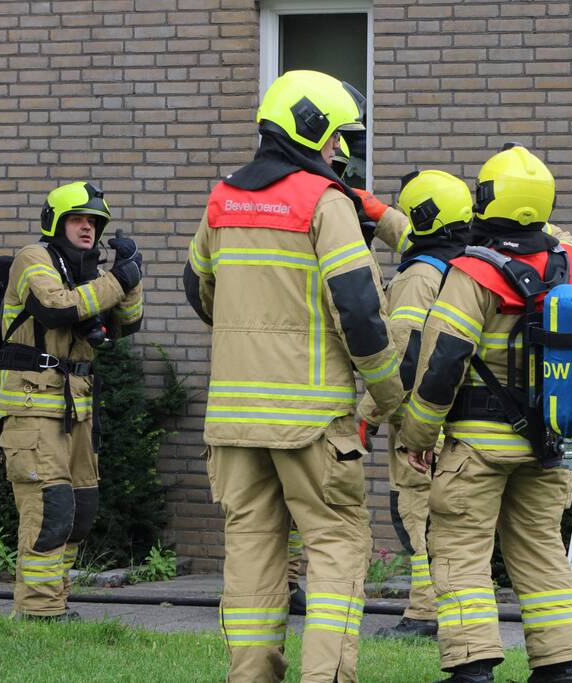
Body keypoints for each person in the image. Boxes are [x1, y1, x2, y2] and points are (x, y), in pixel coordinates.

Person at [184, 70, 404, 683]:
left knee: (252, 555)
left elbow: (198, 286)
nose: (340, 152)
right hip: (312, 421)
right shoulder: (323, 203)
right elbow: (359, 311)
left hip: (232, 424)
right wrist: (390, 397)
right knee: (336, 547)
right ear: (312, 132)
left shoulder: (223, 199)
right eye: (337, 139)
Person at [398, 145, 572, 683]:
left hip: (478, 447)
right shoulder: (568, 262)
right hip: (551, 443)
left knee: (460, 553)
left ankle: (472, 668)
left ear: (488, 199)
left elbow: (443, 362)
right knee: (542, 553)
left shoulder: (474, 271)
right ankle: (559, 670)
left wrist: (418, 433)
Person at [0, 181, 144, 620]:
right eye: (78, 219)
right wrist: (117, 281)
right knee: (50, 509)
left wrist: (130, 276)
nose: (88, 229)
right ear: (55, 222)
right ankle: (39, 613)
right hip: (31, 410)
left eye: (95, 223)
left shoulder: (89, 274)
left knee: (81, 510)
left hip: (76, 410)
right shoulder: (33, 259)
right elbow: (57, 309)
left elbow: (125, 326)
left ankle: (55, 601)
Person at [357, 170, 475, 640]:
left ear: (423, 217)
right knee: (447, 520)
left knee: (416, 515)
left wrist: (368, 414)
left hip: (417, 425)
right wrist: (375, 212)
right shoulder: (467, 263)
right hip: (461, 416)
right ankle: (449, 608)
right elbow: (414, 233)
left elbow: (404, 356)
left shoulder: (418, 277)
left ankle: (425, 614)